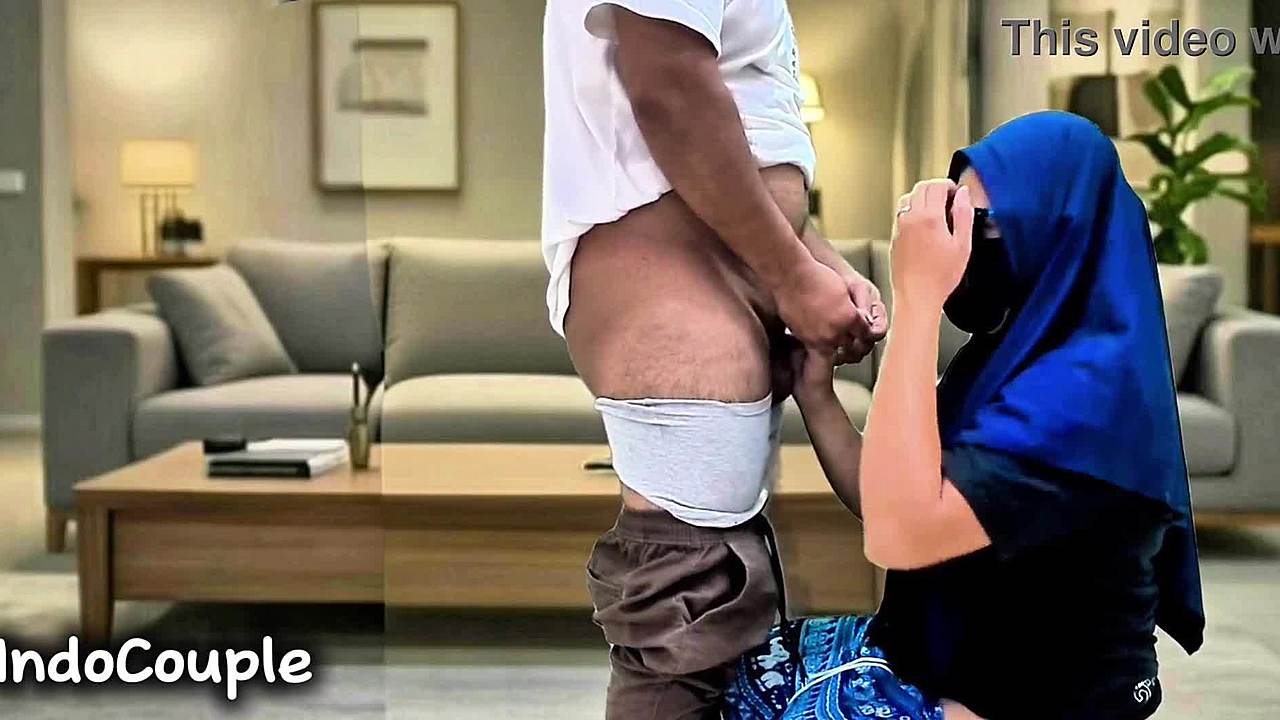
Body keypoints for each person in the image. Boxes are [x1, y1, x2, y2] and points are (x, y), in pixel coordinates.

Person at [726, 111, 1205, 720]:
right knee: (730, 672)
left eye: (984, 224)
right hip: (945, 662)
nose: (964, 244)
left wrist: (917, 299)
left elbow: (902, 532)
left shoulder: (1088, 397)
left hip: (1032, 702)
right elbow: (893, 496)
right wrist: (815, 393)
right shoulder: (1015, 351)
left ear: (1057, 230)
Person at [541, 1, 888, 717]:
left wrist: (812, 261)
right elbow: (668, 88)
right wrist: (793, 278)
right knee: (685, 610)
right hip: (668, 275)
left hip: (716, 267)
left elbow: (745, 134)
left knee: (726, 611)